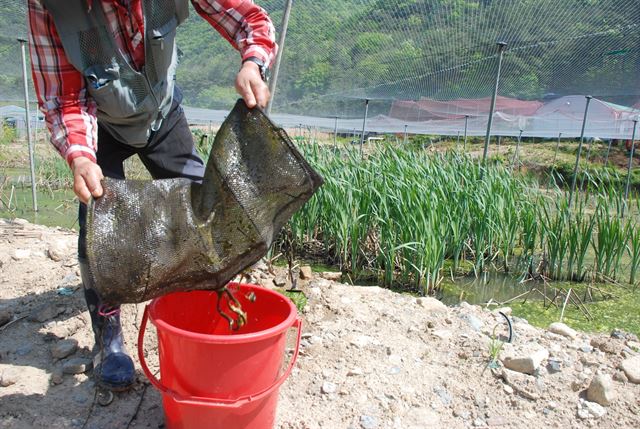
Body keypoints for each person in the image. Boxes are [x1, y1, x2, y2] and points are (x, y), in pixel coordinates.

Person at [27, 0, 276, 391]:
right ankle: (108, 339)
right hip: (100, 125)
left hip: (160, 110)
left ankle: (211, 303)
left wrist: (251, 63)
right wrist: (80, 156)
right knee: (100, 228)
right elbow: (64, 98)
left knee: (203, 210)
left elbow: (249, 18)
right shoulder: (51, 5)